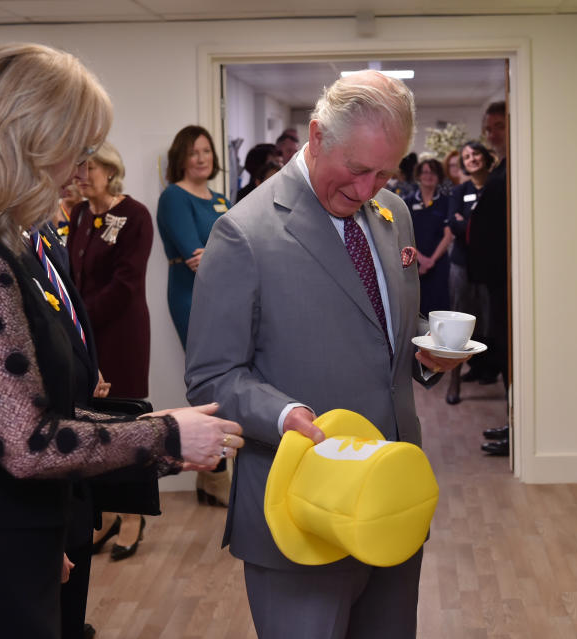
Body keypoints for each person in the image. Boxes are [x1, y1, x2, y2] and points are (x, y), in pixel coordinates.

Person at [0, 42, 243, 639]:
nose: (80, 170)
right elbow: (25, 442)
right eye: (78, 147)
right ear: (27, 142)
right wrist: (166, 435)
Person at [185, 69, 469, 639]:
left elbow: (381, 324)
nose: (369, 190)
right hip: (301, 507)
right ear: (316, 137)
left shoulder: (395, 214)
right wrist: (284, 414)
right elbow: (213, 376)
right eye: (359, 170)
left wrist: (423, 353)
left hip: (391, 498)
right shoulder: (243, 233)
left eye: (386, 172)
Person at [68, 141, 155, 559]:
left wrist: (78, 319)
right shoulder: (81, 214)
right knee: (95, 422)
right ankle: (108, 513)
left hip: (120, 333)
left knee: (124, 421)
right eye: (79, 166)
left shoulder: (134, 215)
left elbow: (125, 283)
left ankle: (133, 516)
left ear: (109, 170)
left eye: (88, 166)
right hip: (85, 335)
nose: (80, 173)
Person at [156, 125, 233, 508]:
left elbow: (236, 252)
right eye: (193, 152)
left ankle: (212, 472)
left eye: (206, 151)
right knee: (209, 377)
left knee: (226, 376)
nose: (201, 158)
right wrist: (224, 259)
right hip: (191, 295)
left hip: (224, 295)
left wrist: (220, 258)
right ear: (180, 159)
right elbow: (194, 256)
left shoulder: (220, 198)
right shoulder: (173, 196)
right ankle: (215, 470)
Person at [471, 101, 512, 455]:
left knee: (508, 354)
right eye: (488, 127)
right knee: (501, 352)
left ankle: (518, 428)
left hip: (507, 280)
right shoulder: (500, 168)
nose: (492, 134)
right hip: (493, 281)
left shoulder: (516, 169)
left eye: (498, 126)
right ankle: (515, 423)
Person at [444, 140, 495, 405]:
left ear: (485, 157)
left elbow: (497, 227)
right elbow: (454, 224)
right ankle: (454, 383)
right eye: (466, 156)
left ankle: (488, 370)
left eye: (475, 153)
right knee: (458, 325)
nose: (471, 158)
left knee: (490, 322)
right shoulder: (459, 191)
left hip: (490, 267)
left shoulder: (496, 187)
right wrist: (478, 227)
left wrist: (471, 224)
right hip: (462, 265)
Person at [403, 158, 452, 315]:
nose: (428, 176)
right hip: (414, 263)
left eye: (433, 172)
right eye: (425, 172)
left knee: (439, 308)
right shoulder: (408, 202)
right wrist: (421, 259)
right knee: (416, 308)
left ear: (439, 176)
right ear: (418, 175)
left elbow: (448, 235)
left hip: (438, 264)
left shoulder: (446, 201)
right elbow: (404, 234)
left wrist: (431, 260)